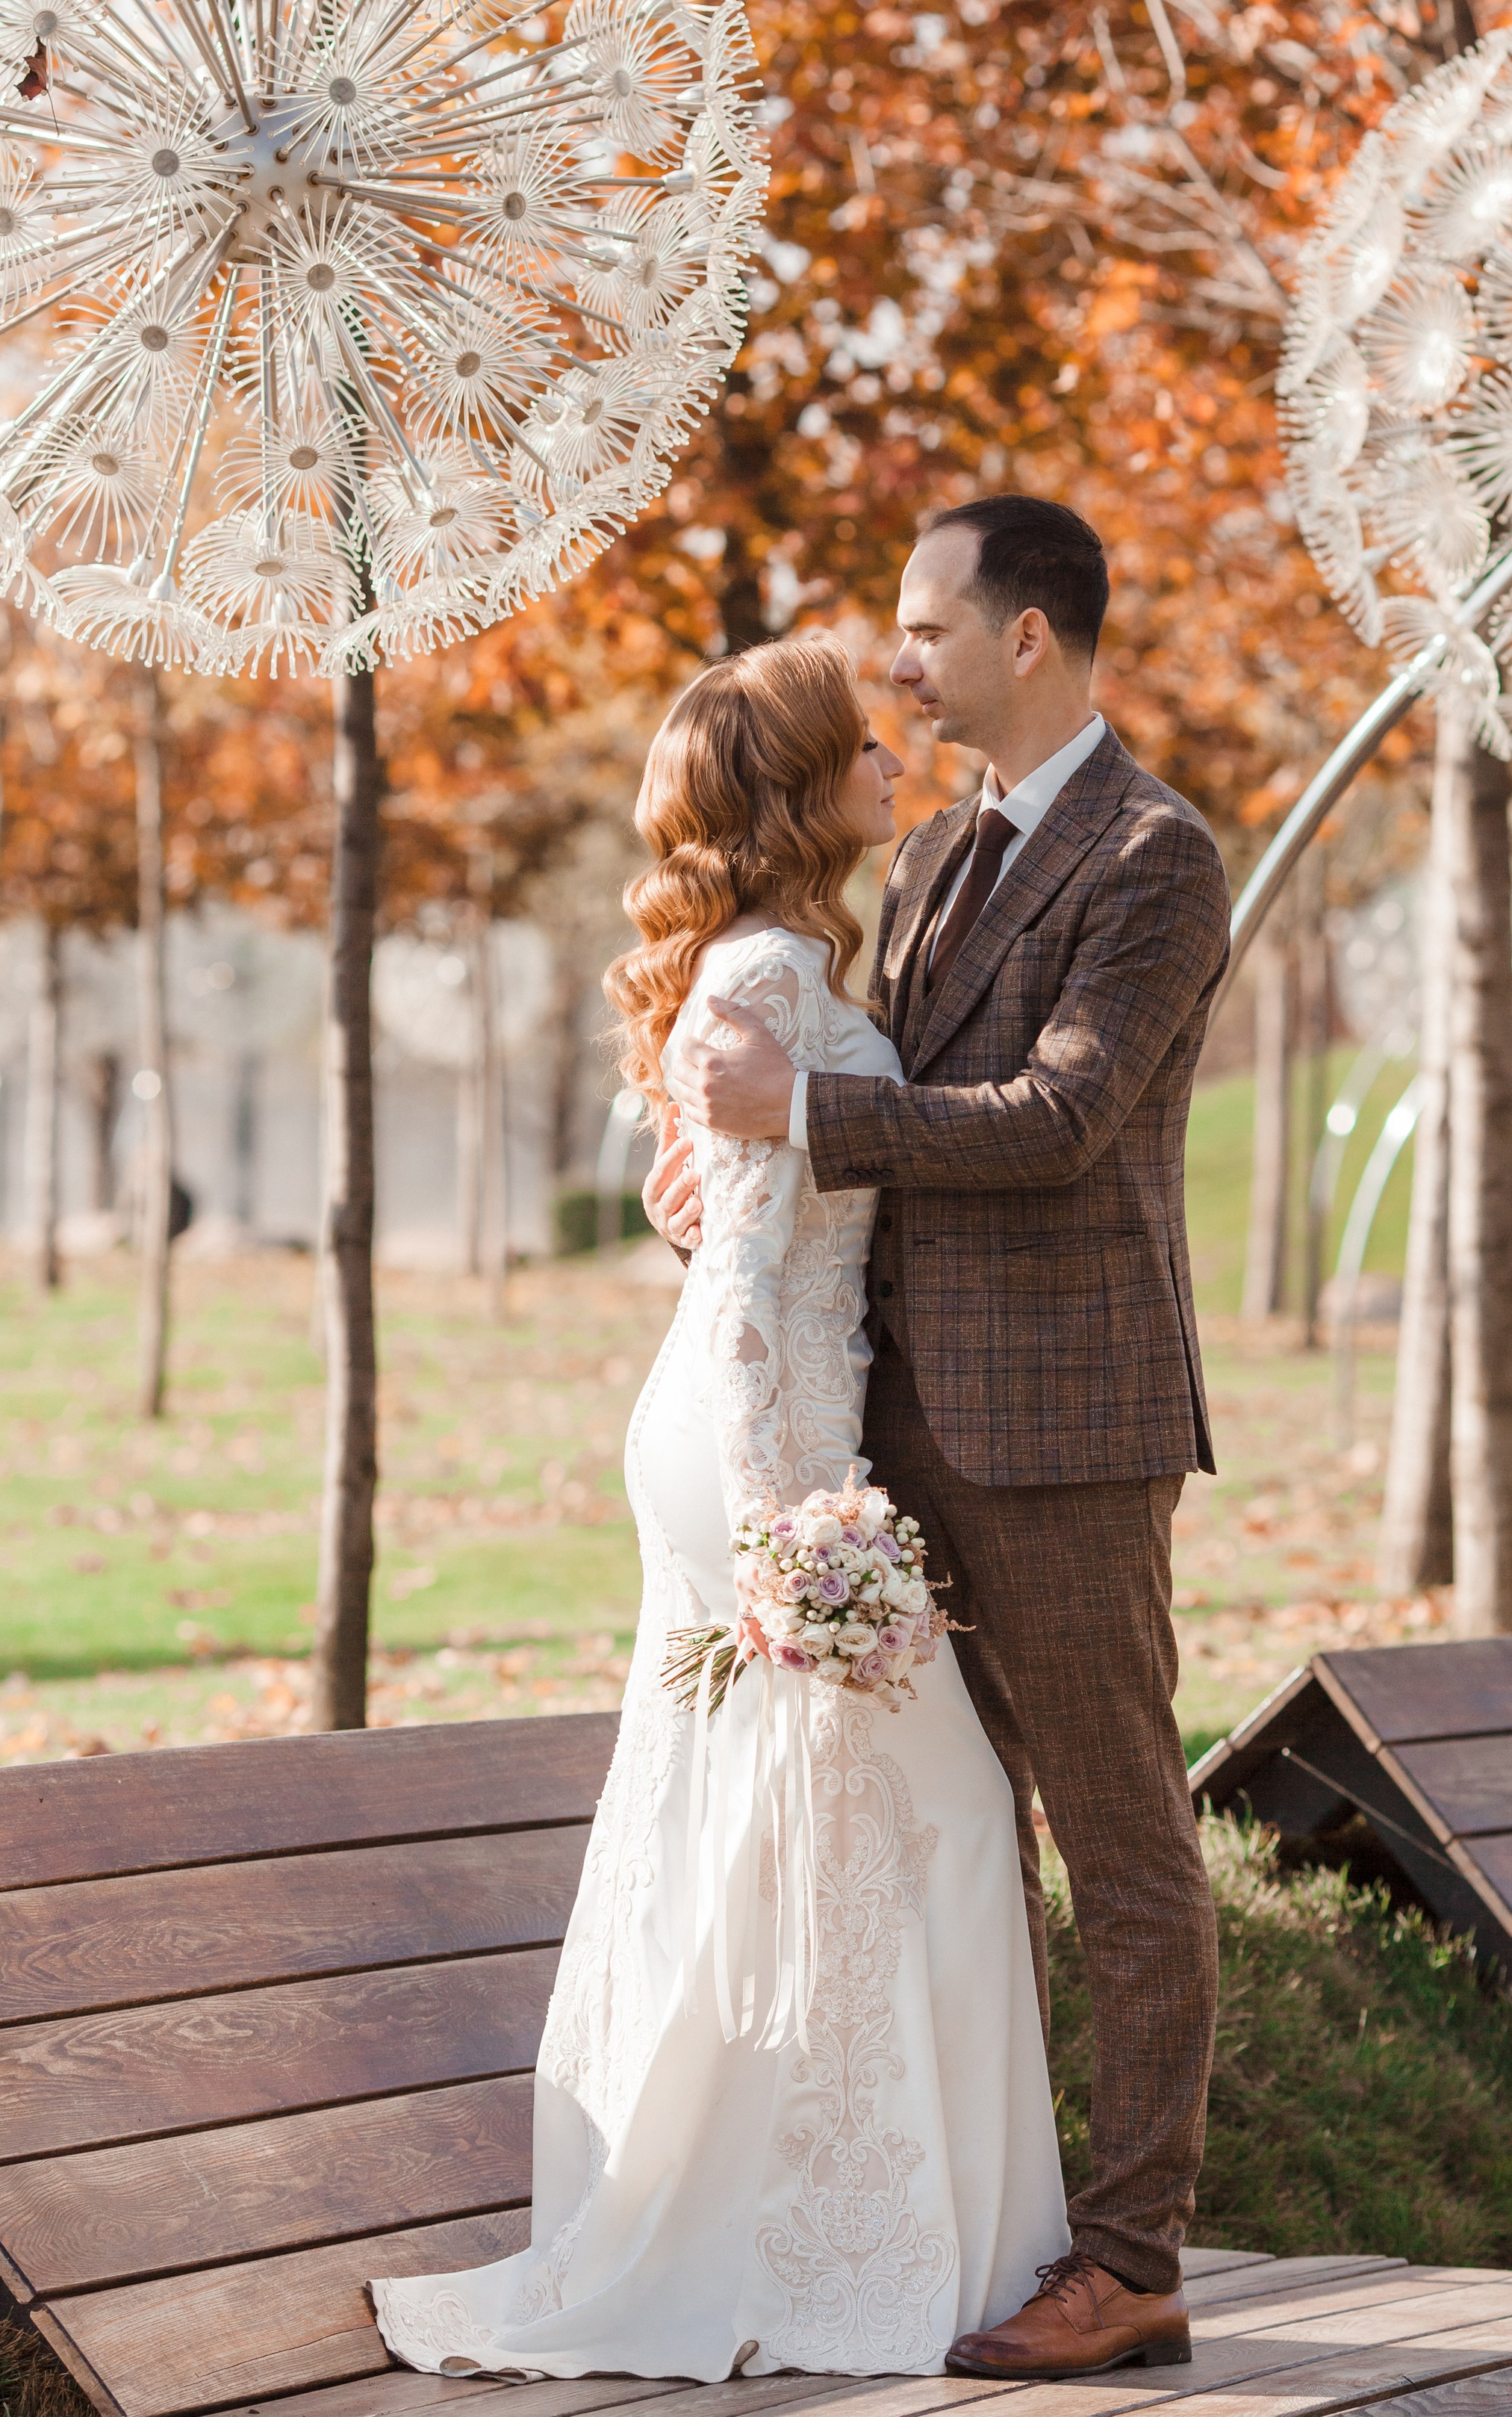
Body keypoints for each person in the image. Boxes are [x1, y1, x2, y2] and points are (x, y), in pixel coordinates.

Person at [370, 635, 1068, 2387]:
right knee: (923, 1818)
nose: (894, 762)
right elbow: (748, 1278)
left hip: (767, 1418)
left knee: (812, 1822)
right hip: (755, 1441)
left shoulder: (793, 961)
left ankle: (808, 2215)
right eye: (862, 745)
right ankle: (813, 2233)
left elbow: (733, 1224)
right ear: (798, 786)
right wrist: (791, 1527)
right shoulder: (764, 972)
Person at [661, 494, 1231, 2378]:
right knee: (952, 1837)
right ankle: (982, 2218)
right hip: (891, 1429)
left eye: (922, 628)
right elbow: (853, 1095)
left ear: (1029, 641)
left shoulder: (1154, 856)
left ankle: (1133, 2255)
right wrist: (728, 1175)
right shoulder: (923, 862)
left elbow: (1055, 1120)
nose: (894, 662)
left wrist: (799, 1121)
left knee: (1120, 1842)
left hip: (1062, 1436)